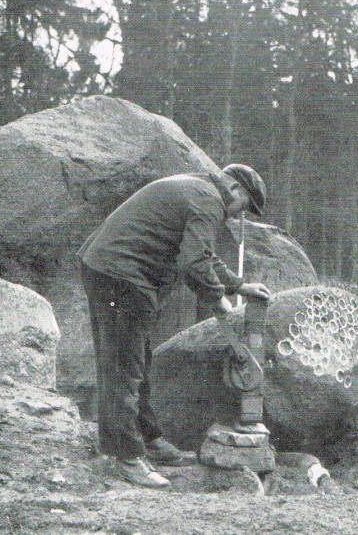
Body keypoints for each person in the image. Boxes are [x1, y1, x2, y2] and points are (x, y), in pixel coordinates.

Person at [78, 164, 272, 488]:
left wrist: (238, 286)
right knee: (124, 369)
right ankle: (128, 458)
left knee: (137, 360)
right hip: (120, 274)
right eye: (243, 210)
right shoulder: (209, 199)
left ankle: (149, 440)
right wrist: (219, 301)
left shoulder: (199, 189)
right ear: (236, 189)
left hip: (109, 268)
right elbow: (194, 264)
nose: (238, 217)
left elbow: (202, 253)